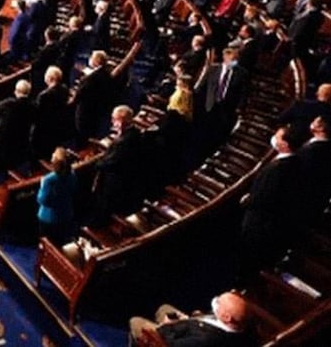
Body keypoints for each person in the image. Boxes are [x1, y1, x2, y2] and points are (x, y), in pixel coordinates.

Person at [239, 126, 305, 281]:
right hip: (268, 220)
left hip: (259, 222)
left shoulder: (278, 169)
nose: (274, 137)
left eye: (278, 136)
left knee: (249, 255)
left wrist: (248, 200)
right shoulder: (293, 161)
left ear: (285, 144)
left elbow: (265, 197)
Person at [129, 291, 255, 347]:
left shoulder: (204, 340)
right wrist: (191, 318)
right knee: (164, 308)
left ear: (226, 317)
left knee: (135, 321)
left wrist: (166, 325)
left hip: (169, 337)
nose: (216, 302)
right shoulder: (239, 326)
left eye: (219, 302)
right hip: (192, 324)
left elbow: (168, 344)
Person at [92, 105, 142, 225]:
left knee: (107, 206)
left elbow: (113, 161)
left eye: (114, 119)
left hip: (116, 180)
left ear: (121, 121)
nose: (112, 122)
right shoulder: (134, 132)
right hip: (121, 177)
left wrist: (98, 164)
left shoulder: (125, 141)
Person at [0, 79, 36, 171]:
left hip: (5, 143)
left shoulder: (10, 104)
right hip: (22, 141)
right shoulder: (33, 105)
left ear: (17, 91)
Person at [31, 66, 73, 161]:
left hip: (44, 129)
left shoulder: (44, 96)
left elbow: (38, 115)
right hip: (58, 126)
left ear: (50, 78)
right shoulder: (64, 89)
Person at [71, 50, 114, 142]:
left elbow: (80, 94)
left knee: (82, 132)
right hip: (97, 109)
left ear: (96, 61)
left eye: (92, 57)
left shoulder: (90, 79)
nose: (89, 59)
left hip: (86, 109)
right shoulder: (106, 74)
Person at [37, 147, 77, 246]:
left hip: (50, 218)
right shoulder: (72, 175)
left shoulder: (48, 180)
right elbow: (73, 191)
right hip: (66, 213)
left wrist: (42, 186)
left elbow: (42, 200)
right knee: (60, 241)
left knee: (47, 243)